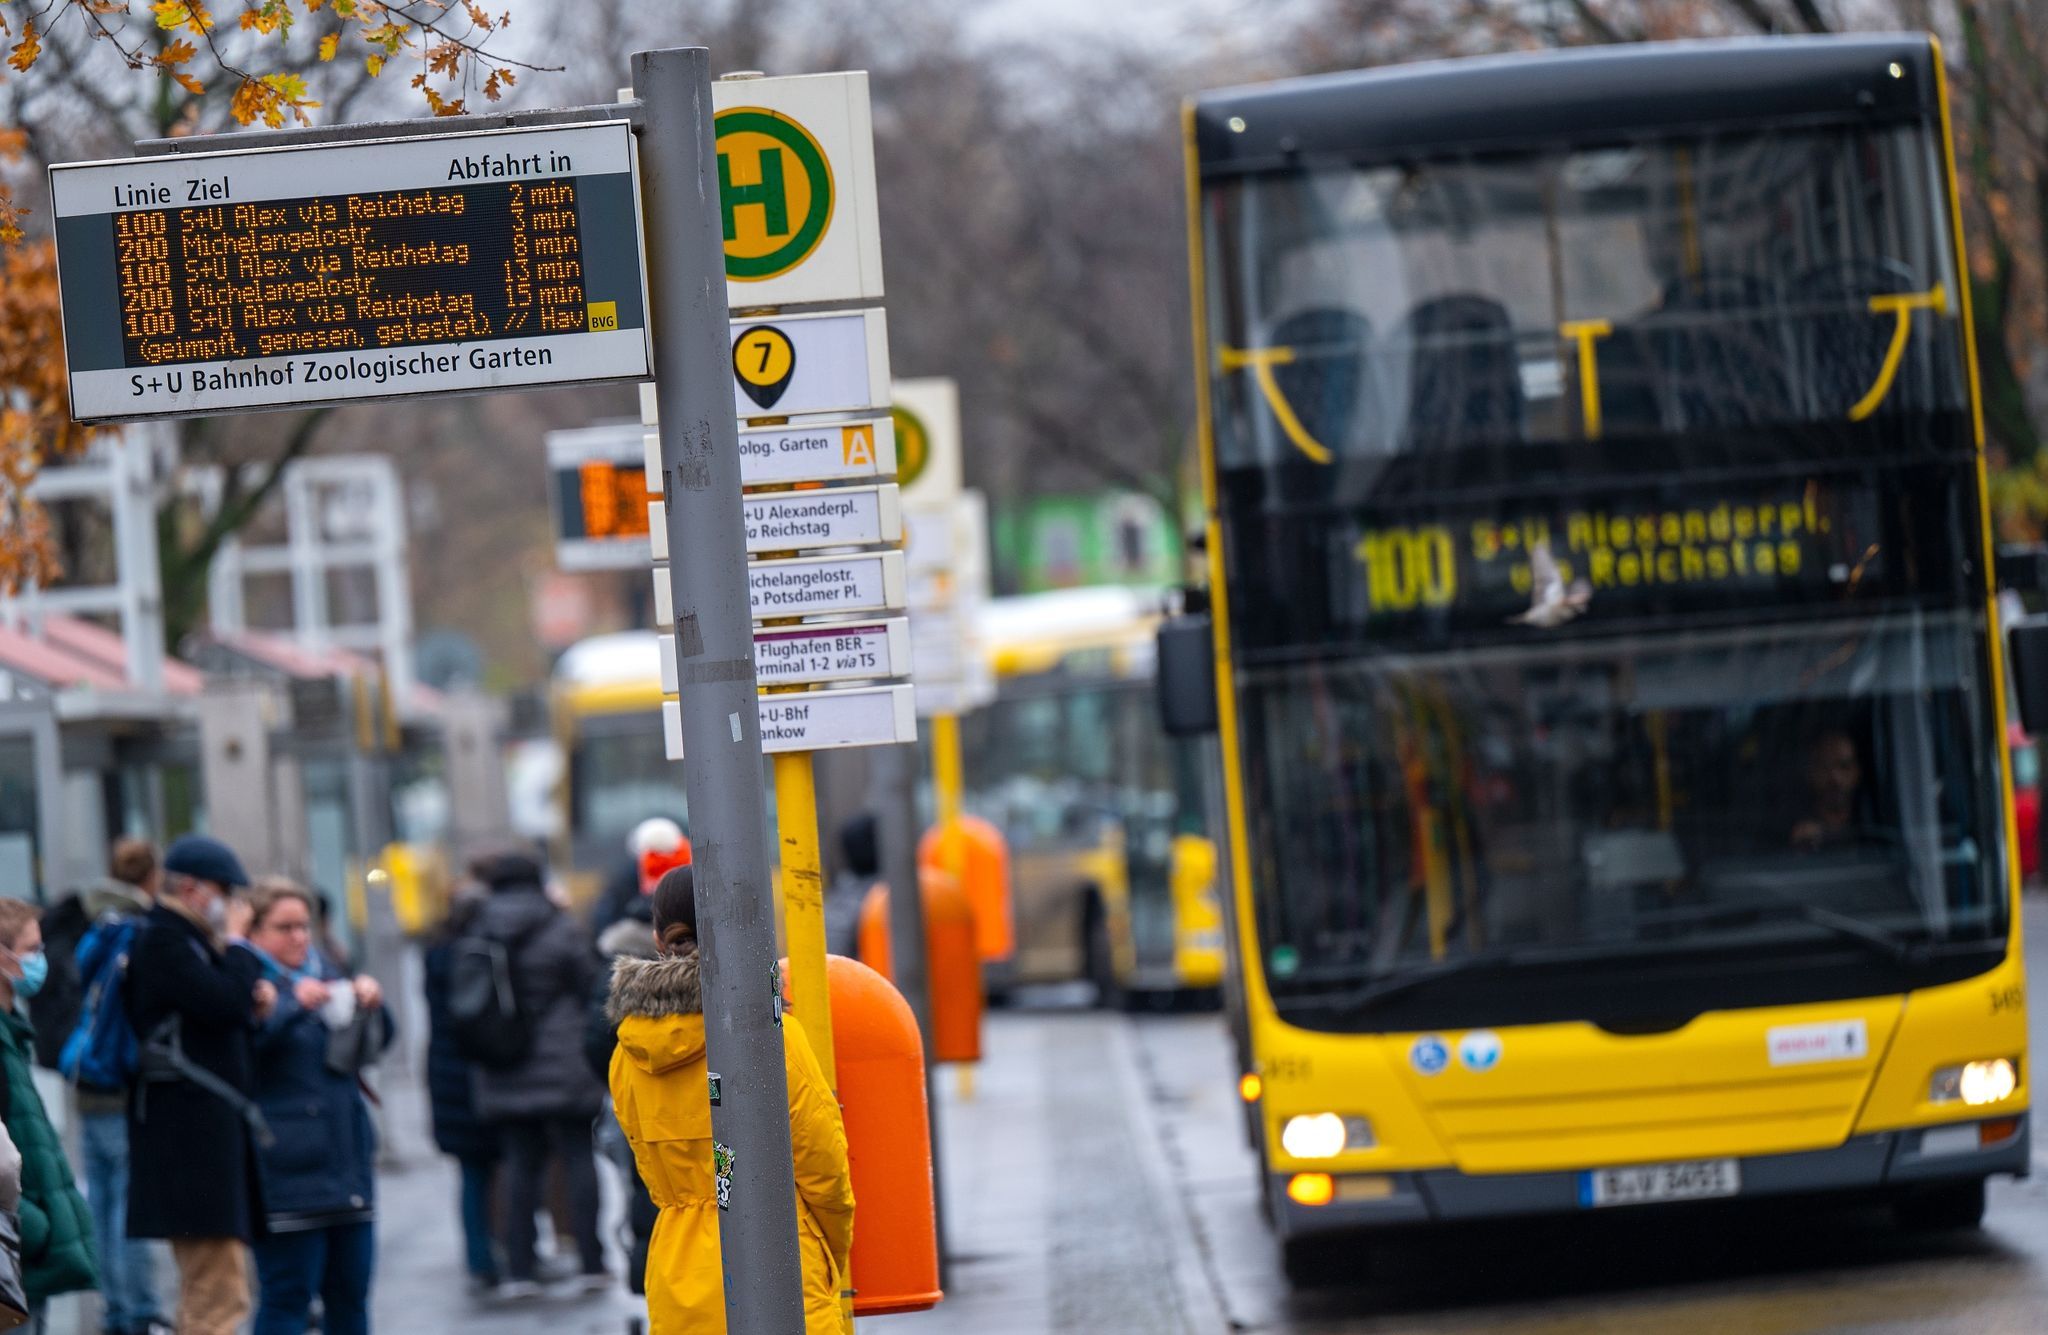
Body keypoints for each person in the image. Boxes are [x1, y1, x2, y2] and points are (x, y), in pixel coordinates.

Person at [607, 866, 854, 1333]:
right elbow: (825, 1168)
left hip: (678, 1276)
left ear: (659, 938)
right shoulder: (772, 1036)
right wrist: (830, 1253)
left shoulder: (628, 1052)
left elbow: (645, 1168)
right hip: (777, 1261)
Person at [126, 835, 273, 1335]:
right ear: (190, 888)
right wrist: (238, 944)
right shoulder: (164, 939)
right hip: (191, 1145)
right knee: (219, 1292)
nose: (233, 904)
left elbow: (220, 1011)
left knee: (208, 1287)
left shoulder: (180, 939)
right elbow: (223, 1001)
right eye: (225, 891)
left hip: (199, 1139)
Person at [243, 881, 391, 1335]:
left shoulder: (327, 969)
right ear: (253, 932)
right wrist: (288, 1006)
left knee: (351, 1301)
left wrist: (372, 1006)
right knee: (287, 1301)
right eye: (284, 927)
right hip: (287, 1174)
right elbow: (243, 1052)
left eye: (304, 927)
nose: (298, 937)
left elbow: (374, 1046)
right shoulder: (245, 981)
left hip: (347, 1168)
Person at [467, 851, 606, 1297]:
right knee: (578, 1159)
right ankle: (591, 1261)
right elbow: (592, 986)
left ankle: (520, 1270)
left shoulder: (479, 926)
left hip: (504, 1063)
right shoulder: (560, 925)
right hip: (564, 1063)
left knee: (518, 1166)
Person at [0, 899, 98, 1325]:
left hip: (23, 1249)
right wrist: (32, 1225)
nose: (40, 961)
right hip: (15, 1245)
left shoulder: (12, 1032)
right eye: (31, 949)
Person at [420, 888, 500, 1298]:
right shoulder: (479, 955)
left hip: (445, 1073)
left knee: (471, 1174)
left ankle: (479, 1258)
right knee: (492, 1169)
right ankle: (495, 1255)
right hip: (476, 1074)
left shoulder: (436, 952)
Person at [1791, 729, 1864, 850]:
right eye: (1824, 767)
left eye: (1844, 766)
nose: (1835, 779)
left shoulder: (1878, 823)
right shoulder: (1797, 830)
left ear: (1857, 771)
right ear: (1810, 773)